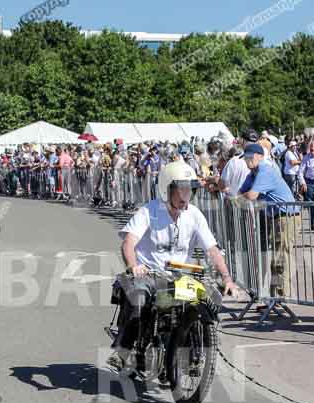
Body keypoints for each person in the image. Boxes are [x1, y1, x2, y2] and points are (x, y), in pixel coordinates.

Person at [112, 160, 240, 363]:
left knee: (209, 298)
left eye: (189, 190)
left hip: (181, 276)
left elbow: (212, 249)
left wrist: (227, 278)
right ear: (166, 189)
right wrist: (133, 266)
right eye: (180, 190)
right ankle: (122, 351)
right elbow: (128, 243)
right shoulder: (149, 211)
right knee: (139, 299)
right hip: (150, 273)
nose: (185, 196)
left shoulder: (194, 214)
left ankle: (195, 342)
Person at [240, 143, 299, 299]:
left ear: (260, 156)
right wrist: (238, 197)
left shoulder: (265, 170)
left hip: (286, 216)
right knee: (274, 258)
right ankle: (274, 297)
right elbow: (239, 193)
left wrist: (238, 198)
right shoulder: (252, 173)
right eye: (245, 157)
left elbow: (250, 196)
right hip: (273, 216)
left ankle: (283, 296)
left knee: (281, 257)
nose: (247, 160)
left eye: (250, 157)